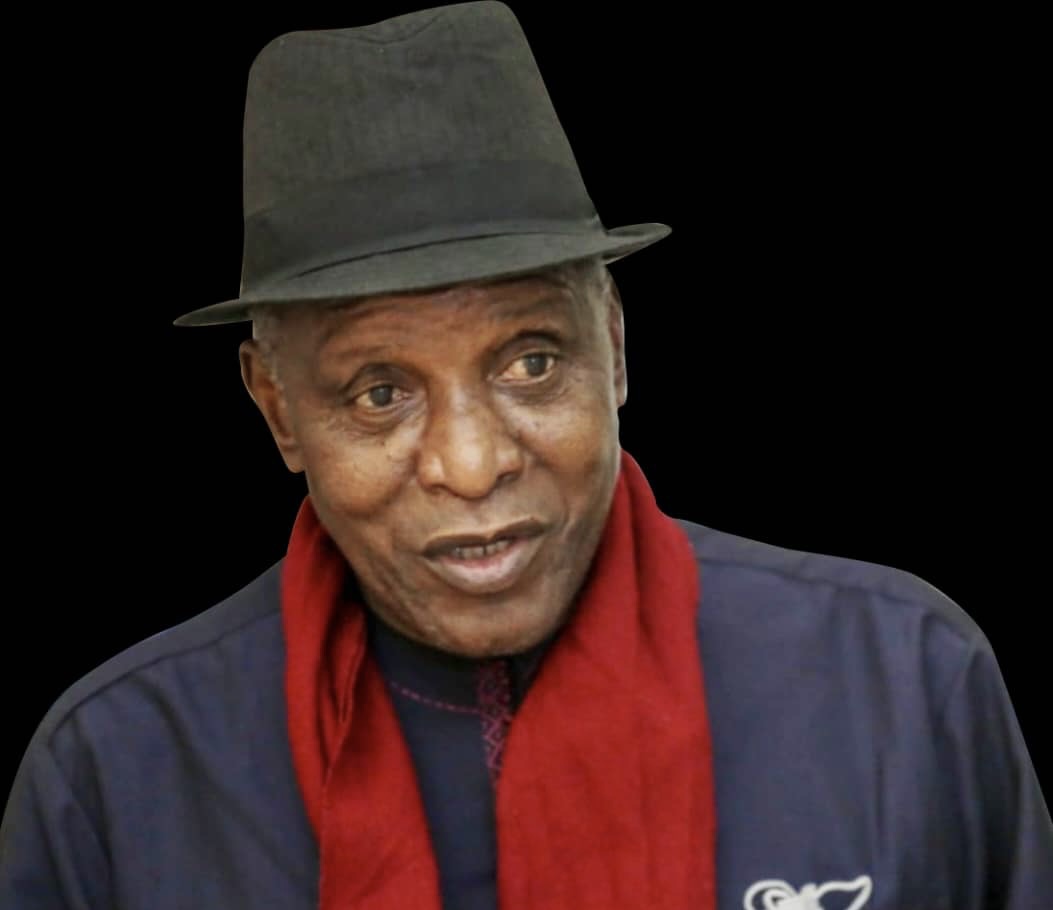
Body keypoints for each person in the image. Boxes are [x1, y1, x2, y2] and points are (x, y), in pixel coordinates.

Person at [2, 3, 1049, 908]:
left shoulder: (899, 681)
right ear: (278, 412)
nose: (470, 464)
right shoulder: (118, 775)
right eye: (379, 393)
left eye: (532, 362)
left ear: (615, 347)